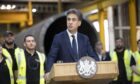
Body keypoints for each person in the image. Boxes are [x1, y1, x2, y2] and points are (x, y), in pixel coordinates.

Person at [46, 8, 97, 76]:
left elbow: (93, 56)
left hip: (82, 77)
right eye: (68, 19)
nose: (70, 22)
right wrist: (48, 72)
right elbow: (51, 56)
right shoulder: (58, 37)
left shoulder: (84, 39)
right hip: (64, 76)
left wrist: (99, 66)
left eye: (73, 20)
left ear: (79, 23)